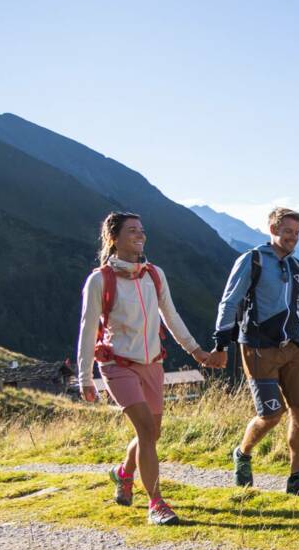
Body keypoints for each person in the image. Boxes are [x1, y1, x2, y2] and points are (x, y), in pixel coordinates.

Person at [77, 212, 211, 525]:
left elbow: (171, 316)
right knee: (146, 431)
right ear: (114, 239)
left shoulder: (154, 275)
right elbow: (86, 330)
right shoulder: (99, 280)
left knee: (153, 432)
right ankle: (156, 505)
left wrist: (196, 351)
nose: (140, 235)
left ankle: (123, 473)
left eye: (142, 230)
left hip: (153, 364)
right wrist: (85, 378)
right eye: (132, 230)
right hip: (117, 365)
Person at [208, 207, 299, 497]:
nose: (292, 238)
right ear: (273, 229)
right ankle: (243, 453)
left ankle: (297, 478)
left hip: (294, 348)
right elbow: (229, 301)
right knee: (272, 414)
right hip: (258, 347)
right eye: (288, 232)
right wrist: (221, 344)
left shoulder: (297, 268)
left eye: (297, 234)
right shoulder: (253, 260)